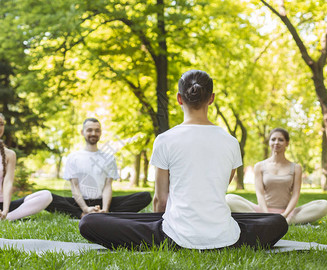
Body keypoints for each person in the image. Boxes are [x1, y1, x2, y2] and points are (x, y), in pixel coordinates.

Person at [79, 70, 288, 250]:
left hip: (175, 236)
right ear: (212, 98)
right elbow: (219, 188)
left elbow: (161, 199)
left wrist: (156, 222)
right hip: (225, 236)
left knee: (89, 222)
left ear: (179, 98)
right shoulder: (231, 142)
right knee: (278, 222)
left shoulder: (165, 139)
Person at [46, 118, 152, 219]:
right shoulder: (73, 157)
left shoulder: (109, 158)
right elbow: (75, 187)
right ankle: (82, 214)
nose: (93, 133)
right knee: (47, 198)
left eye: (97, 130)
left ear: (100, 133)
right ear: (82, 132)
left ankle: (104, 214)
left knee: (145, 196)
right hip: (78, 203)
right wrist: (85, 208)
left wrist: (105, 208)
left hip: (102, 202)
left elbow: (107, 186)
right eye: (89, 130)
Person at [225, 128, 327, 225]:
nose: (276, 142)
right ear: (269, 142)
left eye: (280, 140)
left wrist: (285, 215)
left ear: (287, 143)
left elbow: (295, 195)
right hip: (262, 211)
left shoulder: (296, 168)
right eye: (273, 139)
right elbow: (260, 194)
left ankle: (284, 221)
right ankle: (271, 220)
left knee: (324, 204)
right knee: (229, 198)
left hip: (288, 213)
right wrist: (267, 215)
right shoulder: (260, 166)